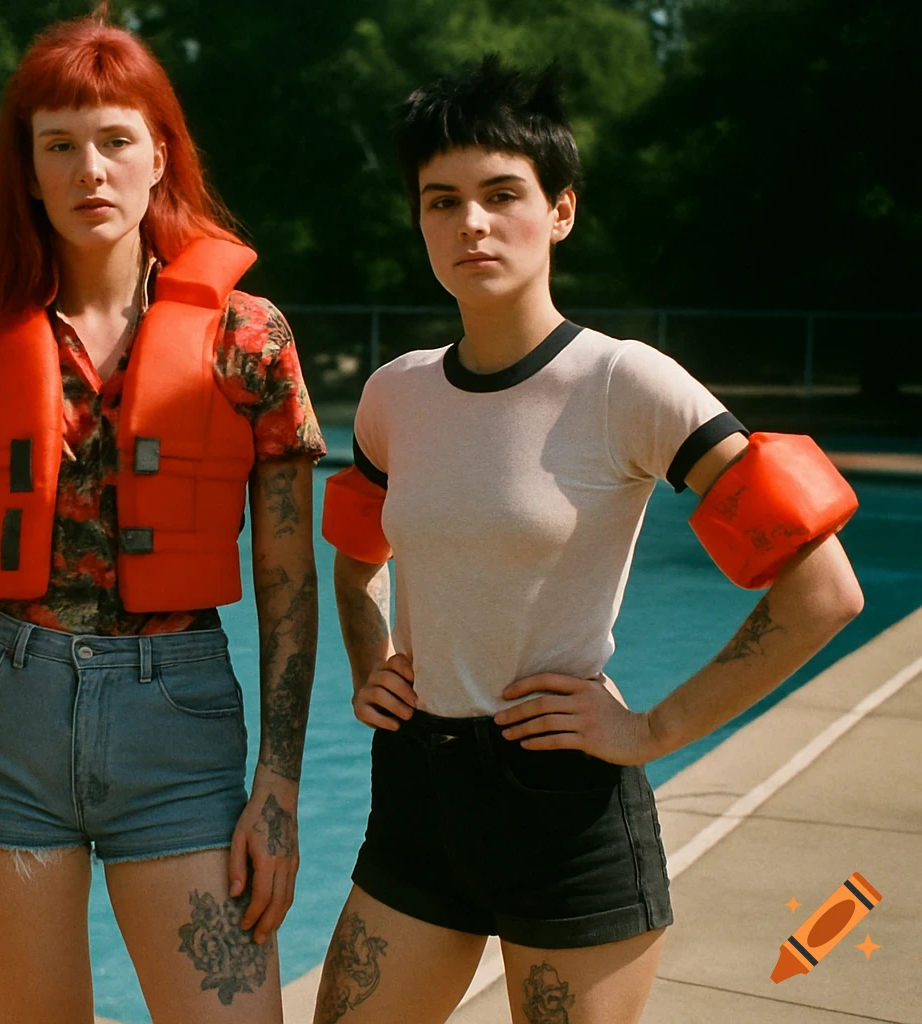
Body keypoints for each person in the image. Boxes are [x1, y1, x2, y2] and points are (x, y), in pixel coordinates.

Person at [315, 57, 863, 1024]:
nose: (471, 223)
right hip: (418, 797)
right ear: (420, 221)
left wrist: (653, 730)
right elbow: (358, 562)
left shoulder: (629, 386)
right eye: (442, 201)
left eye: (501, 194)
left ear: (560, 210)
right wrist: (372, 659)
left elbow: (823, 591)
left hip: (564, 808)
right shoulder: (395, 395)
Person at [0, 11, 327, 1023]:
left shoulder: (249, 337)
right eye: (58, 144)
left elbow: (288, 580)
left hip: (178, 719)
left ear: (160, 156)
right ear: (27, 169)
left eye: (114, 140)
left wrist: (277, 783)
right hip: (4, 705)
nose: (89, 170)